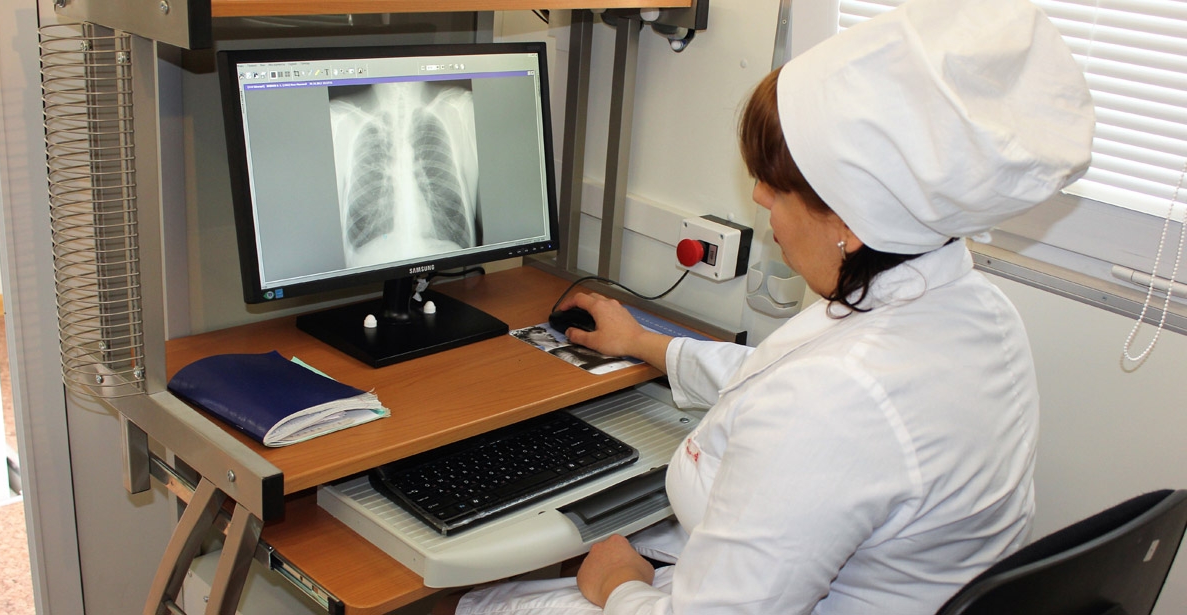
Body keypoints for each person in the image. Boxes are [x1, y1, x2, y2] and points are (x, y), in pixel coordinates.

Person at [437, 0, 1095, 612]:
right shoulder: (972, 309)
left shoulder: (835, 404)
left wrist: (617, 585)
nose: (757, 196)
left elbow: (817, 406)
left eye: (778, 186)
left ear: (851, 217)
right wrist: (645, 344)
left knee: (475, 601)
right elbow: (777, 379)